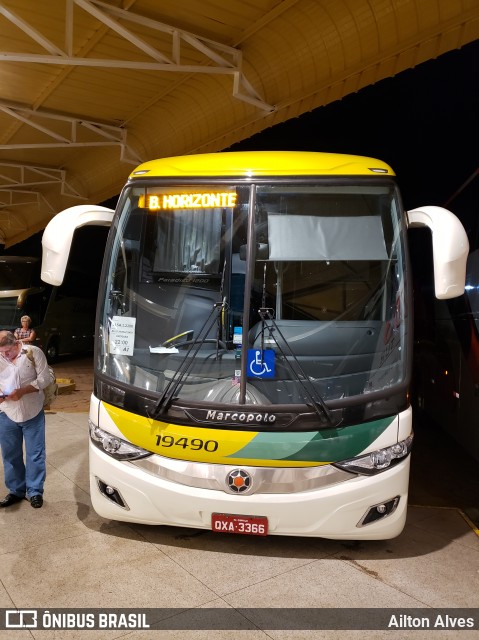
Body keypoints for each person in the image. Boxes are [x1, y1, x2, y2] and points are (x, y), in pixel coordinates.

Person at [0, 330, 51, 509]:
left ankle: (35, 491)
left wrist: (22, 391)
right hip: (6, 412)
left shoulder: (33, 352)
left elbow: (46, 378)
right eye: (2, 353)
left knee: (35, 454)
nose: (5, 355)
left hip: (33, 412)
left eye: (8, 351)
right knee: (10, 455)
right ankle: (16, 491)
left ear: (16, 344)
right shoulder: (0, 356)